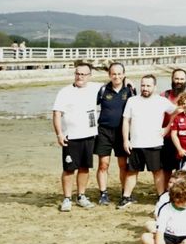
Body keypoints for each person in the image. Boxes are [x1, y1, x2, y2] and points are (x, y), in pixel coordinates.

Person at [119, 75, 176, 209]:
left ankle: (161, 197)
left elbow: (176, 112)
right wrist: (125, 140)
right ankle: (126, 197)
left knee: (157, 171)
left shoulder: (162, 101)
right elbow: (126, 121)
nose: (145, 88)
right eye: (143, 85)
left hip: (155, 143)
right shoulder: (132, 101)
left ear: (154, 87)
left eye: (148, 86)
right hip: (136, 143)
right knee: (132, 172)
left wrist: (167, 129)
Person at [52, 61, 101, 211]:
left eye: (83, 74)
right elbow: (56, 113)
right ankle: (67, 198)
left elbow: (115, 82)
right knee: (69, 168)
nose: (80, 77)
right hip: (71, 137)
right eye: (77, 74)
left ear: (89, 76)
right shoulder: (65, 91)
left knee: (84, 168)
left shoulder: (96, 88)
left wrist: (128, 81)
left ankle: (81, 195)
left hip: (89, 135)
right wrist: (59, 134)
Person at [93, 62, 136, 205]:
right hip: (104, 131)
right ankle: (103, 193)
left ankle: (125, 192)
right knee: (103, 164)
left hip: (122, 132)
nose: (116, 76)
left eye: (119, 74)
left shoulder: (130, 90)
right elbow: (89, 106)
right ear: (109, 75)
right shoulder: (103, 89)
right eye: (113, 74)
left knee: (123, 165)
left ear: (123, 74)